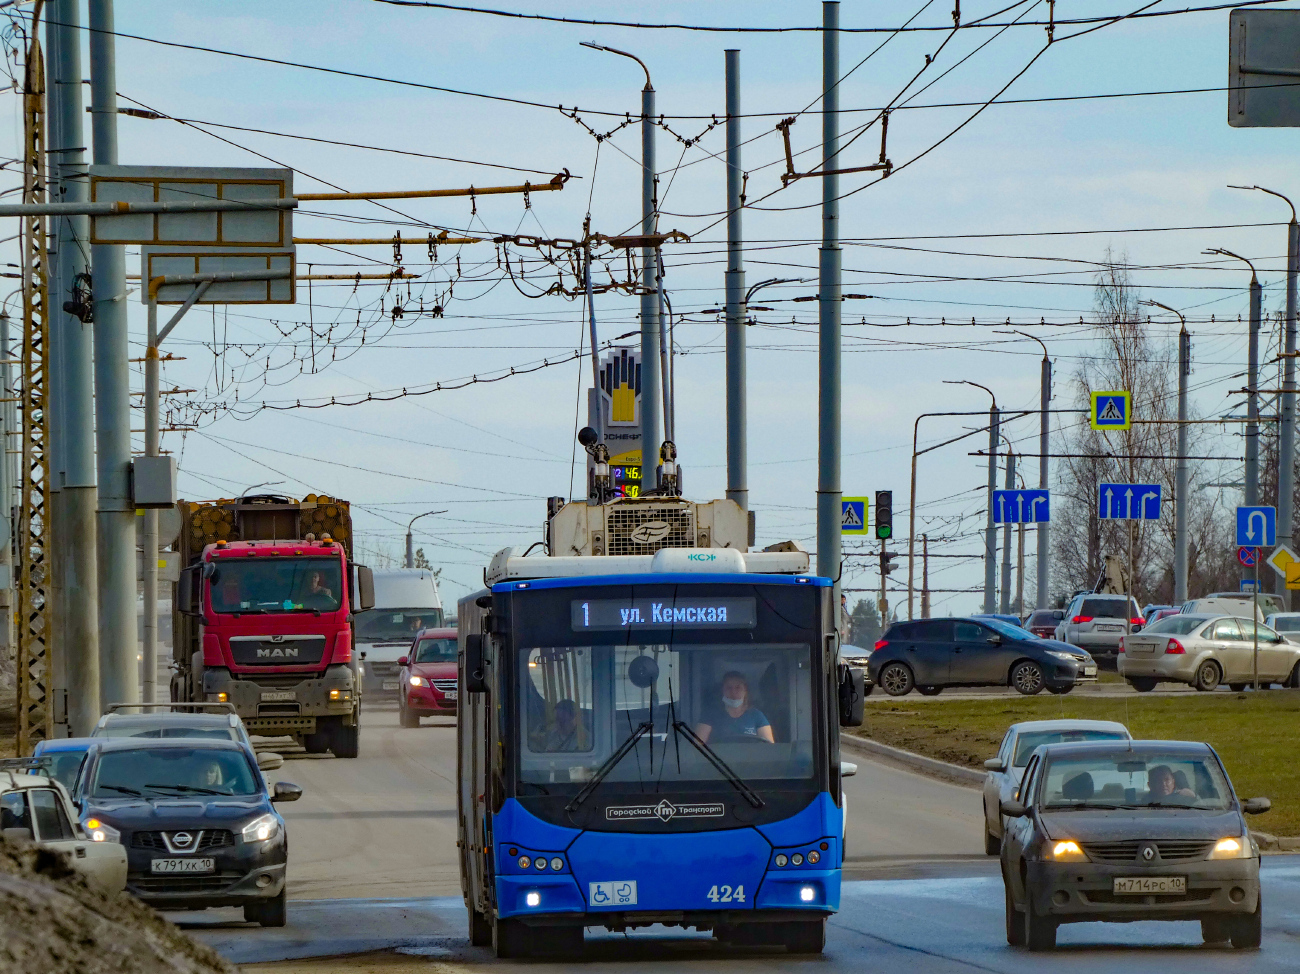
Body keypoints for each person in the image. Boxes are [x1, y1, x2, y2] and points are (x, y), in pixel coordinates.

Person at [695, 671, 774, 744]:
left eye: (738, 688)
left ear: (745, 691)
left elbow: (769, 748)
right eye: (728, 688)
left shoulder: (757, 716)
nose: (733, 692)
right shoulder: (709, 716)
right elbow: (697, 746)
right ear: (722, 691)